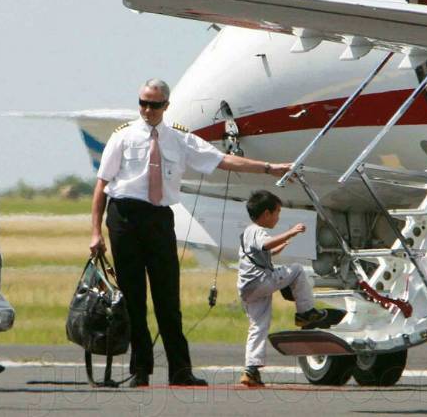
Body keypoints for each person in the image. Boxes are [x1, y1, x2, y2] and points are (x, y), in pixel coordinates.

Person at [89, 79, 293, 387]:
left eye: (154, 105)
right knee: (133, 298)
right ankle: (140, 370)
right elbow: (102, 185)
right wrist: (95, 232)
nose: (147, 110)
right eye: (143, 103)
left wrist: (267, 167)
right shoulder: (123, 137)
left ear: (166, 107)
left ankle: (180, 370)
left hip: (159, 219)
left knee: (167, 297)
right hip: (124, 218)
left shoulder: (179, 139)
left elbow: (221, 160)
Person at [236, 190, 328, 388]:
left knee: (258, 326)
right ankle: (305, 312)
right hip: (260, 282)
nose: (278, 217)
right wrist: (291, 232)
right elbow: (266, 244)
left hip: (248, 289)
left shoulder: (247, 233)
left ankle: (251, 371)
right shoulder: (257, 230)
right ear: (266, 214)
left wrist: (282, 245)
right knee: (296, 270)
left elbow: (265, 250)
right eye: (277, 213)